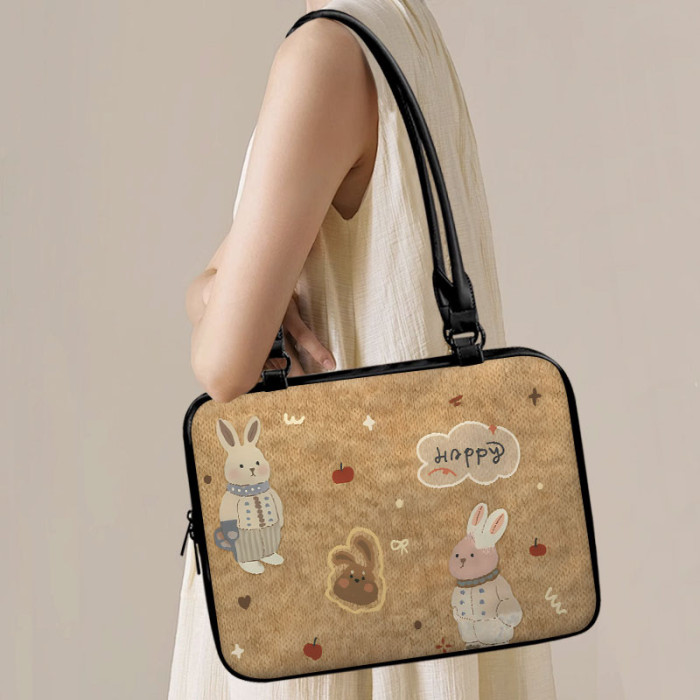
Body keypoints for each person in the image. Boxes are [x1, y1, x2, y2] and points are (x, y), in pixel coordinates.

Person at [171, 0, 558, 697]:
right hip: (414, 556)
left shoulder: (322, 54)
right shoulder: (403, 28)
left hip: (326, 584)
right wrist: (218, 293)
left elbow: (224, 363)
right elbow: (222, 280)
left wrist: (214, 300)